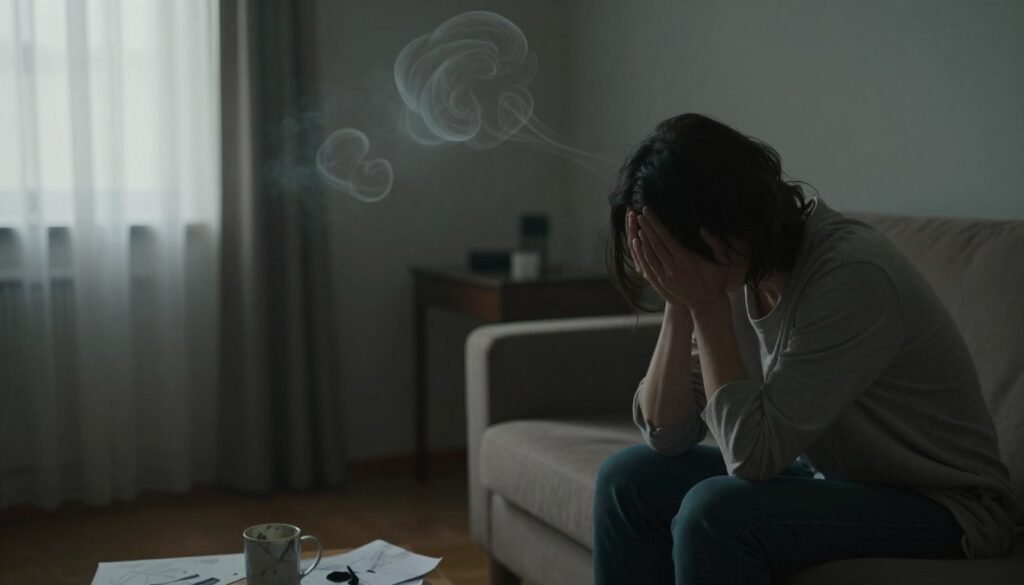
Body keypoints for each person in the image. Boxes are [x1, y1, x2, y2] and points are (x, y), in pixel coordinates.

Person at [593, 113, 1017, 584]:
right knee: (627, 479)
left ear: (730, 219)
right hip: (836, 482)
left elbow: (751, 459)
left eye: (676, 253)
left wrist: (706, 306)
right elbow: (667, 435)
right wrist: (678, 303)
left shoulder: (851, 275)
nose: (674, 267)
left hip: (946, 505)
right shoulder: (731, 272)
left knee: (715, 512)